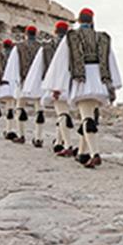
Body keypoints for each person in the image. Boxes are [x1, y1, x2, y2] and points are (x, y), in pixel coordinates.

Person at [44, 8, 122, 167]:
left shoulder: (71, 37)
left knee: (86, 118)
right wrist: (111, 85)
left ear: (79, 20)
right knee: (90, 117)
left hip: (82, 80)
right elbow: (110, 61)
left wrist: (57, 86)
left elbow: (62, 63)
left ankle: (95, 154)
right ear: (92, 20)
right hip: (99, 80)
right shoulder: (103, 37)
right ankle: (82, 152)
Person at [24, 21, 74, 154]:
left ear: (55, 31)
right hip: (69, 83)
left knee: (60, 113)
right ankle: (59, 141)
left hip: (52, 83)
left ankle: (63, 143)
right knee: (65, 113)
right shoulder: (73, 46)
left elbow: (38, 68)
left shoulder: (45, 48)